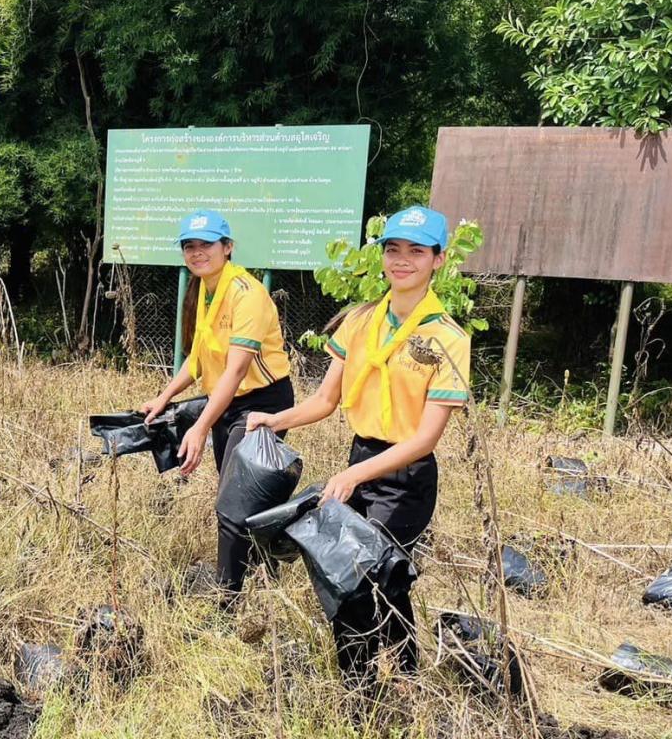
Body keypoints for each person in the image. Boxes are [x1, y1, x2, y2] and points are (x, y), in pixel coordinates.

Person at [247, 205, 470, 689]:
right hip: (361, 458)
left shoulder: (448, 338)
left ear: (439, 259)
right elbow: (326, 399)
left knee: (354, 577)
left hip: (406, 477)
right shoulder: (361, 321)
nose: (402, 260)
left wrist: (352, 479)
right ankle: (407, 672)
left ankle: (359, 693)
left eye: (416, 251)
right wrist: (275, 417)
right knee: (385, 575)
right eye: (393, 250)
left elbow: (425, 438)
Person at [140, 209, 295, 605]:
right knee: (246, 496)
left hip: (261, 402)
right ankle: (266, 573)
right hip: (228, 400)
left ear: (227, 248)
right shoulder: (204, 290)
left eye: (206, 244)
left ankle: (227, 602)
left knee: (233, 501)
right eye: (189, 246)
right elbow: (198, 359)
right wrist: (165, 396)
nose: (196, 252)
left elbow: (236, 370)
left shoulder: (247, 294)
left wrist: (201, 425)